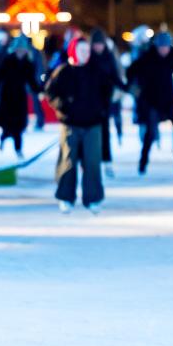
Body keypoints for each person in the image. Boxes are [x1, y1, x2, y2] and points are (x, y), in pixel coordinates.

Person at [45, 36, 113, 214]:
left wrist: (101, 110)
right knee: (68, 162)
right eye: (82, 51)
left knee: (92, 163)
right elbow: (50, 93)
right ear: (74, 51)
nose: (85, 54)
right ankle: (66, 197)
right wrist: (63, 107)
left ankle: (93, 198)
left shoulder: (97, 71)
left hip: (93, 124)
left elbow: (107, 91)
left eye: (87, 51)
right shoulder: (63, 71)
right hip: (70, 125)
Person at [128, 31, 173, 176]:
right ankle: (143, 161)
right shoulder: (148, 57)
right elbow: (131, 70)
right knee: (150, 133)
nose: (164, 50)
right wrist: (134, 87)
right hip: (152, 101)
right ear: (157, 46)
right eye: (161, 47)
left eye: (166, 47)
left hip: (169, 100)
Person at [0, 34, 42, 157]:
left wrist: (38, 90)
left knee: (18, 127)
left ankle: (18, 148)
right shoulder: (7, 60)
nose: (21, 52)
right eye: (19, 50)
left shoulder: (27, 64)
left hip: (20, 97)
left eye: (23, 50)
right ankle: (3, 139)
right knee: (7, 126)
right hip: (7, 96)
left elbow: (31, 80)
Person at [88, 30, 126, 178]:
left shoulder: (109, 57)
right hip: (89, 102)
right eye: (96, 44)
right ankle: (89, 163)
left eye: (100, 44)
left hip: (104, 102)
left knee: (105, 133)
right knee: (90, 134)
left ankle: (107, 161)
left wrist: (126, 88)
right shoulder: (87, 58)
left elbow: (115, 77)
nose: (98, 47)